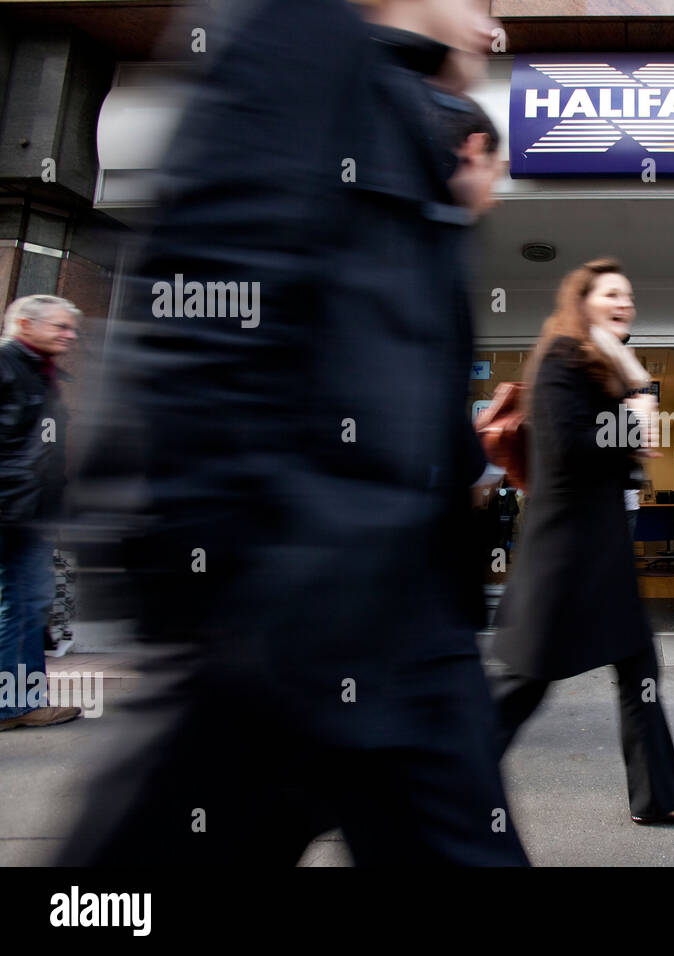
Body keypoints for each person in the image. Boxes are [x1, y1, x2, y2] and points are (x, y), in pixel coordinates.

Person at [57, 0, 529, 865]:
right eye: (478, 2)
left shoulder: (411, 120)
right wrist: (220, 586)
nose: (489, 28)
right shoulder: (299, 38)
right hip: (283, 615)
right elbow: (203, 309)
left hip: (406, 624)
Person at [491, 258, 674, 828]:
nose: (625, 303)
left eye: (629, 295)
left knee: (638, 670)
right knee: (523, 685)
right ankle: (427, 787)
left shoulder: (596, 367)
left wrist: (631, 394)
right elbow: (571, 448)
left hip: (598, 549)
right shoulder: (562, 358)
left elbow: (621, 461)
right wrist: (636, 408)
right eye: (612, 293)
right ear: (582, 302)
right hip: (567, 555)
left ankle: (659, 797)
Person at [0, 295, 82, 731]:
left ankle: (20, 701)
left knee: (27, 603)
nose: (69, 335)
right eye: (60, 326)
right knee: (20, 602)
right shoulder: (7, 364)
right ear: (26, 325)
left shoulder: (38, 370)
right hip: (12, 509)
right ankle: (12, 705)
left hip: (28, 511)